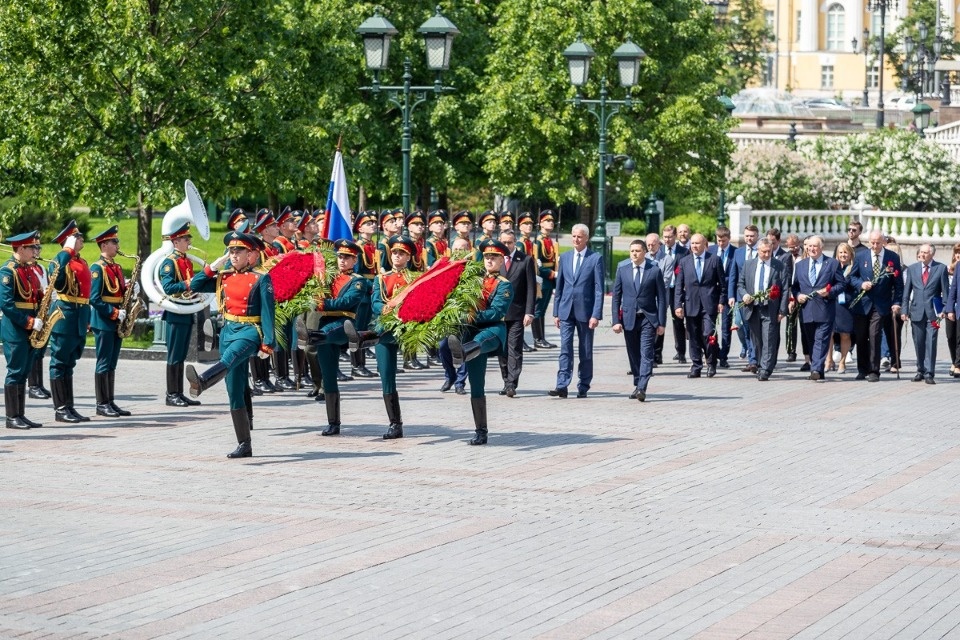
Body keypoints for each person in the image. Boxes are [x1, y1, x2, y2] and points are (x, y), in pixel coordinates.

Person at [186, 231, 275, 458]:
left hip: (249, 331)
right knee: (234, 390)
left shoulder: (261, 279)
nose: (234, 255)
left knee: (230, 358)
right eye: (231, 251)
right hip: (228, 331)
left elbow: (268, 313)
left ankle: (203, 381)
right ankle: (245, 445)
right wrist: (213, 266)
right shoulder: (223, 277)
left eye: (239, 251)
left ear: (252, 255)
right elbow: (194, 285)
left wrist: (268, 343)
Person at [345, 236, 417, 439]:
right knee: (386, 375)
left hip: (406, 327)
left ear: (408, 256)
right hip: (386, 328)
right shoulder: (381, 278)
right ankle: (395, 423)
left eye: (401, 253)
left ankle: (361, 337)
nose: (397, 256)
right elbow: (376, 301)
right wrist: (386, 309)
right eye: (394, 252)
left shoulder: (414, 279)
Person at [448, 239, 513, 445]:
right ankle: (481, 431)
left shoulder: (504, 285)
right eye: (486, 256)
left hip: (493, 330)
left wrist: (470, 317)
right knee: (476, 384)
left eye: (494, 257)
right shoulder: (472, 279)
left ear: (502, 260)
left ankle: (462, 352)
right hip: (471, 334)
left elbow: (497, 311)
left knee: (481, 339)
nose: (490, 260)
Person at [307, 239, 366, 436]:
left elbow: (347, 301)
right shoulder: (328, 277)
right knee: (328, 375)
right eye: (340, 256)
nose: (342, 260)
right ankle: (333, 422)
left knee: (326, 333)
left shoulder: (358, 280)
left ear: (354, 259)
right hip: (324, 324)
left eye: (347, 257)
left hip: (344, 323)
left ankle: (308, 336)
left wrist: (323, 304)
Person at [550, 223, 604, 398]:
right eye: (573, 236)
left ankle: (583, 385)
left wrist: (596, 314)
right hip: (566, 310)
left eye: (579, 236)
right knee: (565, 348)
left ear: (586, 238)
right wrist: (556, 312)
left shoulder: (595, 258)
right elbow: (560, 287)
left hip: (586, 312)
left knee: (585, 350)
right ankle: (562, 384)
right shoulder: (565, 257)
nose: (576, 239)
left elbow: (598, 289)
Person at [48, 220, 93, 422]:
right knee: (59, 362)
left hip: (79, 315)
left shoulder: (81, 262)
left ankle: (69, 406)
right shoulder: (60, 260)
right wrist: (66, 249)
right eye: (77, 237)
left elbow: (86, 293)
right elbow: (55, 273)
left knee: (69, 363)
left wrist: (87, 318)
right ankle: (60, 408)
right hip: (65, 316)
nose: (81, 239)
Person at [0, 230, 45, 429]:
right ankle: (12, 417)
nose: (35, 250)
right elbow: (7, 304)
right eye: (32, 247)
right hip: (16, 328)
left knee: (25, 370)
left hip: (30, 325)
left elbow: (35, 296)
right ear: (20, 248)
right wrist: (29, 322)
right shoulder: (7, 271)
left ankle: (20, 414)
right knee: (16, 370)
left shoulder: (28, 270)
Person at [611, 239, 666, 401]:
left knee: (646, 353)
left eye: (637, 251)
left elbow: (662, 299)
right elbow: (616, 297)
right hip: (629, 318)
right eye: (632, 251)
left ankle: (642, 387)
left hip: (648, 318)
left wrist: (661, 322)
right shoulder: (623, 270)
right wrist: (616, 320)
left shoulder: (654, 270)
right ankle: (637, 382)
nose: (634, 254)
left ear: (644, 253)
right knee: (633, 353)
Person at [156, 221, 202, 407]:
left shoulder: (186, 261)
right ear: (175, 242)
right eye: (185, 238)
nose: (188, 241)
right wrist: (188, 285)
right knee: (174, 355)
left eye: (188, 238)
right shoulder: (169, 262)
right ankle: (171, 394)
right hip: (175, 312)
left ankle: (179, 393)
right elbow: (167, 287)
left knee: (181, 355)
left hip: (186, 311)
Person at [88, 226, 132, 417]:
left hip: (116, 319)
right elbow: (94, 298)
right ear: (104, 245)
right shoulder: (97, 268)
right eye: (114, 242)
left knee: (112, 363)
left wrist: (129, 287)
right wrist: (114, 313)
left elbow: (118, 291)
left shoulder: (116, 266)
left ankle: (110, 401)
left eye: (117, 242)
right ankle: (101, 403)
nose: (117, 245)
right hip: (104, 320)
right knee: (104, 362)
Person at [849, 230, 903, 382]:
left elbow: (898, 283)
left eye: (878, 243)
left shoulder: (892, 258)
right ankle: (862, 369)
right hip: (862, 303)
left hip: (881, 304)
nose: (874, 246)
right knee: (861, 337)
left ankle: (874, 370)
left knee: (874, 335)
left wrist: (897, 302)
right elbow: (852, 277)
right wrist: (861, 284)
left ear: (883, 242)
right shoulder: (861, 256)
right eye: (872, 243)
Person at [790, 235, 845, 382]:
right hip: (806, 309)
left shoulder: (832, 264)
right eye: (809, 246)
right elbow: (794, 286)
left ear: (821, 247)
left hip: (825, 309)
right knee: (812, 341)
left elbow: (841, 284)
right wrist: (797, 295)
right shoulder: (800, 265)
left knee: (821, 340)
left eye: (815, 246)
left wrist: (829, 292)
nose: (812, 249)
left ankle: (815, 369)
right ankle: (819, 369)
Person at [736, 238, 788, 381]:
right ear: (758, 250)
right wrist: (745, 295)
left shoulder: (779, 266)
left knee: (769, 338)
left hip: (770, 309)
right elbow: (740, 284)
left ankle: (766, 369)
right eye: (763, 251)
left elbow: (784, 290)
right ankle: (760, 364)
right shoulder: (748, 265)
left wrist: (782, 311)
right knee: (757, 339)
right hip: (753, 308)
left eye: (769, 251)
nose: (766, 254)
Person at [675, 233, 724, 378]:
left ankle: (711, 362)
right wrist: (678, 305)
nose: (694, 246)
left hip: (709, 305)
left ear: (704, 244)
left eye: (697, 243)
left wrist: (721, 301)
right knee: (694, 337)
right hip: (691, 304)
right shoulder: (684, 262)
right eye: (693, 243)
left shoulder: (714, 260)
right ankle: (696, 366)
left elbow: (722, 285)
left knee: (709, 334)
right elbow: (679, 285)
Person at [902, 244, 948, 384]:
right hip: (916, 312)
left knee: (931, 342)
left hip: (934, 314)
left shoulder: (940, 269)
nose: (922, 254)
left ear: (932, 254)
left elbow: (945, 291)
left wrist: (944, 310)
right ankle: (920, 370)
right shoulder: (912, 269)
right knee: (918, 342)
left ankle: (929, 373)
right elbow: (907, 292)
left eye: (925, 252)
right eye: (921, 252)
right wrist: (904, 310)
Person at [497, 230, 535, 397]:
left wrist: (529, 312)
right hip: (498, 314)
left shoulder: (525, 260)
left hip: (517, 313)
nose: (507, 245)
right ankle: (506, 381)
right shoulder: (495, 259)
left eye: (510, 242)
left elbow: (531, 289)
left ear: (515, 242)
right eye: (504, 242)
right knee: (502, 349)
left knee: (514, 348)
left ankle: (512, 382)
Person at [438, 237, 471, 394]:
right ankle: (450, 375)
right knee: (443, 346)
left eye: (463, 249)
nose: (459, 252)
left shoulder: (474, 269)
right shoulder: (445, 267)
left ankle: (460, 382)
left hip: (466, 315)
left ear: (469, 250)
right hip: (448, 315)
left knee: (463, 348)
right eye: (457, 249)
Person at [727, 224, 759, 372]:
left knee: (755, 329)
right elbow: (733, 275)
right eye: (746, 236)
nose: (749, 238)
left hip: (758, 297)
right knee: (745, 328)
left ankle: (756, 358)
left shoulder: (762, 251)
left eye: (752, 236)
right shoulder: (738, 253)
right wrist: (731, 295)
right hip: (741, 297)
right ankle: (752, 360)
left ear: (757, 236)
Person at [26, 245, 51, 400]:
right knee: (33, 350)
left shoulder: (42, 267)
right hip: (34, 312)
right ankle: (33, 386)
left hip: (44, 312)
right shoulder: (26, 270)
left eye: (39, 247)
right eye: (34, 248)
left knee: (40, 350)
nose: (37, 251)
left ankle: (39, 384)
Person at [660, 225, 688, 363]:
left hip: (676, 290)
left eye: (670, 237)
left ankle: (681, 352)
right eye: (665, 237)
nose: (667, 240)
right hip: (662, 290)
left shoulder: (683, 252)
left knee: (678, 321)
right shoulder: (659, 251)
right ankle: (657, 354)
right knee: (659, 320)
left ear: (675, 236)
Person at [709, 226, 735, 368]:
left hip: (726, 295)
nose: (721, 243)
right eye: (719, 240)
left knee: (726, 326)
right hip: (712, 294)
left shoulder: (735, 253)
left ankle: (724, 356)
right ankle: (715, 351)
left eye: (723, 241)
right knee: (710, 326)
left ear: (729, 239)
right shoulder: (711, 251)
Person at [533, 211, 559, 350]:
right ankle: (538, 339)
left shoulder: (549, 241)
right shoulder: (538, 242)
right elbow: (538, 264)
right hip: (542, 278)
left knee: (542, 310)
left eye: (552, 221)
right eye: (547, 220)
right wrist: (552, 273)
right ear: (541, 223)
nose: (550, 223)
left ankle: (542, 338)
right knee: (538, 310)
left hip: (549, 279)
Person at [828, 243, 856, 374]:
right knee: (829, 333)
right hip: (833, 303)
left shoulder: (854, 268)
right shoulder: (832, 266)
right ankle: (828, 360)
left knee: (845, 334)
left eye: (845, 252)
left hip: (847, 305)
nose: (843, 255)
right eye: (840, 253)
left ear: (850, 254)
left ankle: (842, 362)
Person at [782, 233, 804, 363]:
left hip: (804, 293)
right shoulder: (785, 258)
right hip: (791, 294)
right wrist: (790, 298)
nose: (794, 249)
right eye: (791, 247)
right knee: (790, 324)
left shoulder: (806, 255)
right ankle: (791, 351)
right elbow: (785, 280)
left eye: (796, 246)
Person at [945, 243, 960, 377]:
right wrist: (948, 308)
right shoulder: (953, 268)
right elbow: (952, 289)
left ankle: (957, 364)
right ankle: (955, 361)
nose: (958, 254)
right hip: (952, 308)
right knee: (950, 336)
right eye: (957, 252)